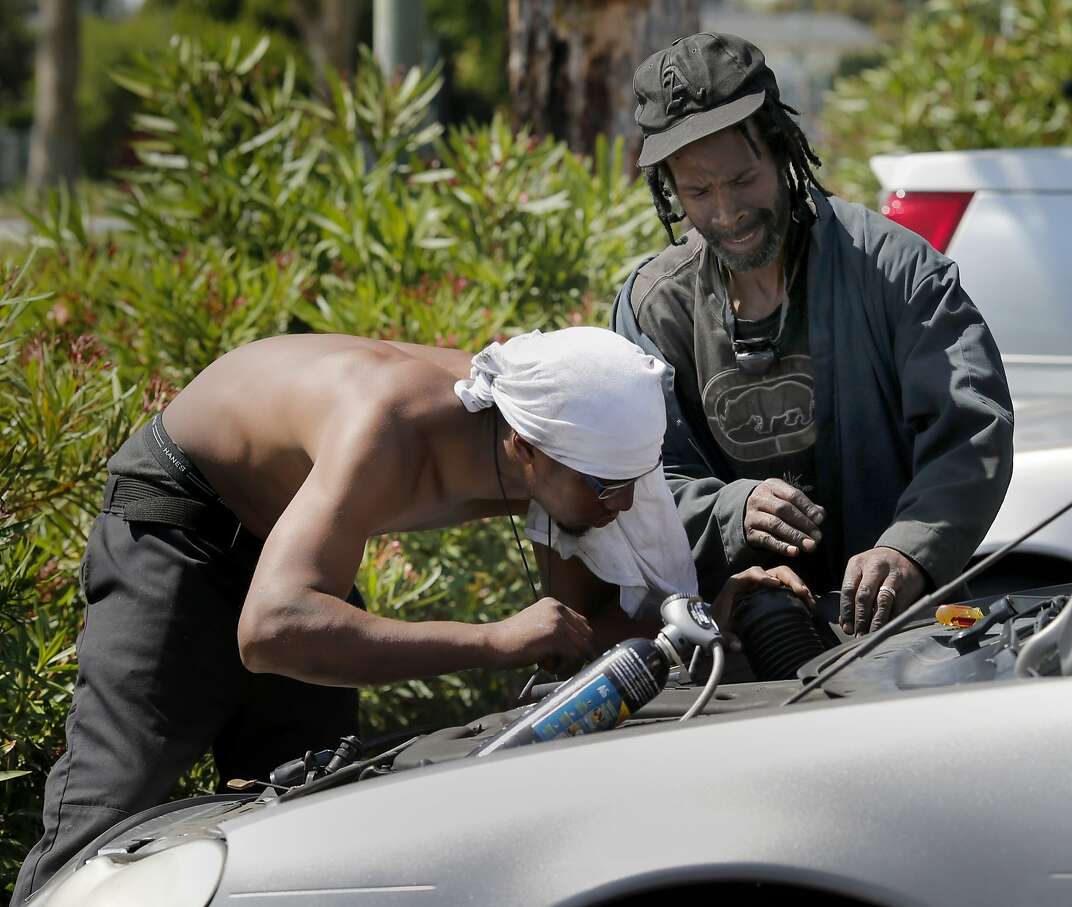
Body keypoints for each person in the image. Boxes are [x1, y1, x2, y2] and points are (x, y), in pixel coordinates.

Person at [15, 326, 803, 903]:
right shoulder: (387, 426)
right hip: (185, 528)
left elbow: (582, 633)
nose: (626, 504)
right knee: (99, 834)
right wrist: (489, 641)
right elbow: (272, 629)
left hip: (298, 558)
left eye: (634, 483)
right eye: (609, 489)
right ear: (525, 448)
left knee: (302, 835)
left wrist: (711, 613)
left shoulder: (585, 444)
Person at [612, 33, 1015, 638]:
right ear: (671, 189)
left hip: (899, 636)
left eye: (743, 179)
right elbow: (635, 478)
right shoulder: (652, 309)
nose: (727, 212)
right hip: (741, 649)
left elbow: (972, 428)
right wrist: (730, 510)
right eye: (698, 192)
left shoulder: (891, 269)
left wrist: (910, 550)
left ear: (782, 150)